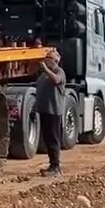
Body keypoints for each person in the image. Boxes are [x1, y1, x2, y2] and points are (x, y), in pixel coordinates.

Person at [33, 48, 67, 177]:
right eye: (46, 58)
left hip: (53, 111)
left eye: (49, 58)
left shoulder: (59, 72)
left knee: (53, 139)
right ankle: (52, 165)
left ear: (56, 61)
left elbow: (57, 80)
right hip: (44, 111)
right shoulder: (42, 76)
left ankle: (55, 167)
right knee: (47, 139)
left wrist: (46, 70)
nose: (46, 60)